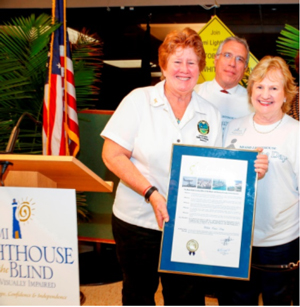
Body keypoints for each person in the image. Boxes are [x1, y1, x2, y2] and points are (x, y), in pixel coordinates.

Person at [101, 28, 268, 306]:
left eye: (191, 63)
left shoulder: (209, 114)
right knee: (138, 293)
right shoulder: (138, 101)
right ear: (164, 64)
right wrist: (151, 193)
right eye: (177, 62)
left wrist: (251, 168)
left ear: (200, 68)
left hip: (187, 226)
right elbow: (112, 154)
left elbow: (215, 170)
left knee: (186, 297)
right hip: (138, 221)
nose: (184, 69)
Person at [222, 55, 299, 305]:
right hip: (236, 239)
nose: (266, 94)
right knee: (237, 301)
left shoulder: (296, 133)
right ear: (251, 91)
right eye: (260, 86)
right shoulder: (233, 127)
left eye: (274, 88)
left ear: (286, 95)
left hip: (280, 241)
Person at [194, 36, 254, 132]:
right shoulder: (194, 94)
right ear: (216, 60)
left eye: (239, 59)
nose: (232, 63)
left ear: (245, 69)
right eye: (227, 55)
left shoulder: (253, 104)